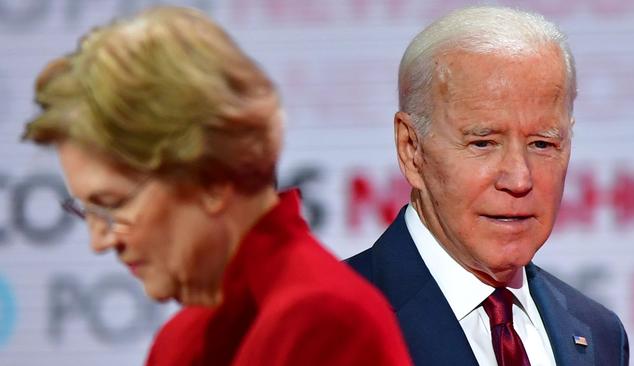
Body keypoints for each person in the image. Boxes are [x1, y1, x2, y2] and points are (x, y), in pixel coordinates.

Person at [22, 6, 412, 366]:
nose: (100, 241)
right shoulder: (182, 339)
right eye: (86, 212)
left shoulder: (323, 323)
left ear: (211, 178)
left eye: (113, 204)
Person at [347, 6, 629, 366]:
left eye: (542, 143)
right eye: (483, 143)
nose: (519, 179)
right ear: (411, 149)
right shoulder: (322, 324)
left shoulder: (598, 332)